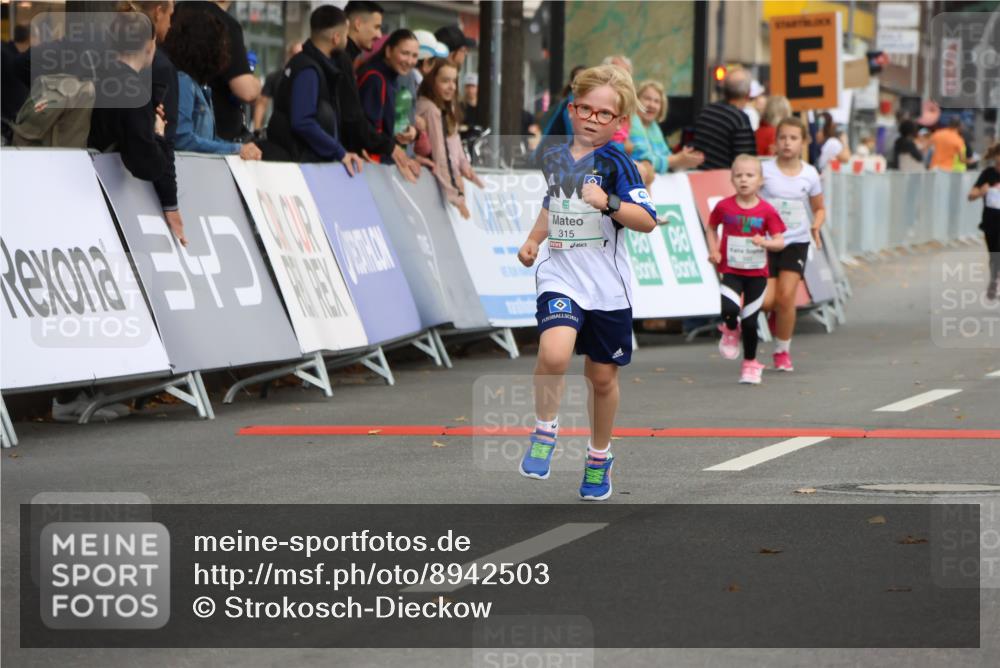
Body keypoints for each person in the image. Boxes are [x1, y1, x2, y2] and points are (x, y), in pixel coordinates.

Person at [515, 65, 657, 500]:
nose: (593, 119)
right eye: (585, 110)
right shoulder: (555, 154)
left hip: (606, 286)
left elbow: (646, 221)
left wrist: (608, 201)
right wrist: (534, 239)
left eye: (604, 114)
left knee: (601, 378)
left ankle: (599, 457)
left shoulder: (619, 163)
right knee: (554, 353)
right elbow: (551, 203)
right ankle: (545, 430)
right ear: (572, 108)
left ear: (617, 122)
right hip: (561, 274)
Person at [705, 155, 786, 385]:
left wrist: (765, 243)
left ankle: (750, 364)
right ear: (732, 179)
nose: (744, 180)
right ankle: (731, 329)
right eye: (739, 175)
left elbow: (780, 241)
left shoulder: (767, 211)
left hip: (757, 275)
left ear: (760, 180)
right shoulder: (724, 206)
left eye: (749, 175)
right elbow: (711, 228)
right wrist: (715, 251)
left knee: (750, 322)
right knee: (730, 309)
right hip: (731, 269)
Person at [264, 5, 362, 174]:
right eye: (346, 35)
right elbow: (302, 121)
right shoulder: (308, 69)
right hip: (297, 164)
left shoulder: (305, 63)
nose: (347, 40)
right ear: (336, 38)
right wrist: (339, 151)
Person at [760, 117, 825, 372]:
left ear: (803, 142)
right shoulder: (764, 170)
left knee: (787, 297)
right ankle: (776, 313)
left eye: (793, 138)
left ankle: (781, 351)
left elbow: (819, 208)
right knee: (766, 302)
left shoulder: (809, 174)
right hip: (766, 241)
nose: (787, 143)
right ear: (775, 142)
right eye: (783, 138)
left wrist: (816, 225)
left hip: (795, 241)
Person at [165, 7, 262, 159]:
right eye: (221, 45)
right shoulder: (184, 81)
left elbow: (207, 140)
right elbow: (182, 139)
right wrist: (236, 149)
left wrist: (238, 148)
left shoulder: (197, 85)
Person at [415, 60, 483, 219]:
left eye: (454, 81)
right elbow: (441, 155)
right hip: (433, 185)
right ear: (433, 81)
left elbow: (454, 142)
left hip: (446, 183)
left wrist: (464, 165)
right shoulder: (431, 110)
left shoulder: (446, 107)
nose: (451, 86)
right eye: (445, 81)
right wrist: (456, 196)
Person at [357, 29, 420, 164]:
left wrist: (412, 133)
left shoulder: (392, 79)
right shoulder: (375, 78)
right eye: (405, 53)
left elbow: (387, 129)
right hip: (370, 164)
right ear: (388, 51)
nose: (410, 61)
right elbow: (366, 129)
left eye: (415, 56)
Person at [628, 79, 704, 187]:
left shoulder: (653, 127)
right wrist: (677, 159)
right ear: (637, 99)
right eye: (647, 98)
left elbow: (666, 157)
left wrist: (684, 161)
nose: (652, 105)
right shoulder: (632, 121)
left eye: (656, 101)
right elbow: (644, 162)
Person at [692, 68, 757, 169]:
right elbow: (746, 161)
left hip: (699, 177)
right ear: (748, 93)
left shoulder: (706, 110)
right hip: (723, 180)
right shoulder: (739, 119)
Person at [967, 142, 1000, 300]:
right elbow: (971, 196)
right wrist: (981, 191)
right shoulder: (988, 174)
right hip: (990, 222)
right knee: (994, 255)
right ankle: (994, 280)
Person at [253, 42, 302, 131]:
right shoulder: (275, 77)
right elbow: (262, 103)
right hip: (280, 129)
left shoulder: (311, 78)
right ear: (289, 55)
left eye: (300, 55)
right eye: (294, 54)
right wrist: (256, 129)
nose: (297, 58)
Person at [602, 55, 632, 152]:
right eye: (617, 71)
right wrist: (623, 147)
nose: (622, 77)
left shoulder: (627, 104)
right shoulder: (599, 99)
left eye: (625, 74)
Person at [344, 1, 384, 66]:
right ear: (358, 25)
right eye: (376, 27)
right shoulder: (340, 60)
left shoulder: (345, 57)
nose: (379, 35)